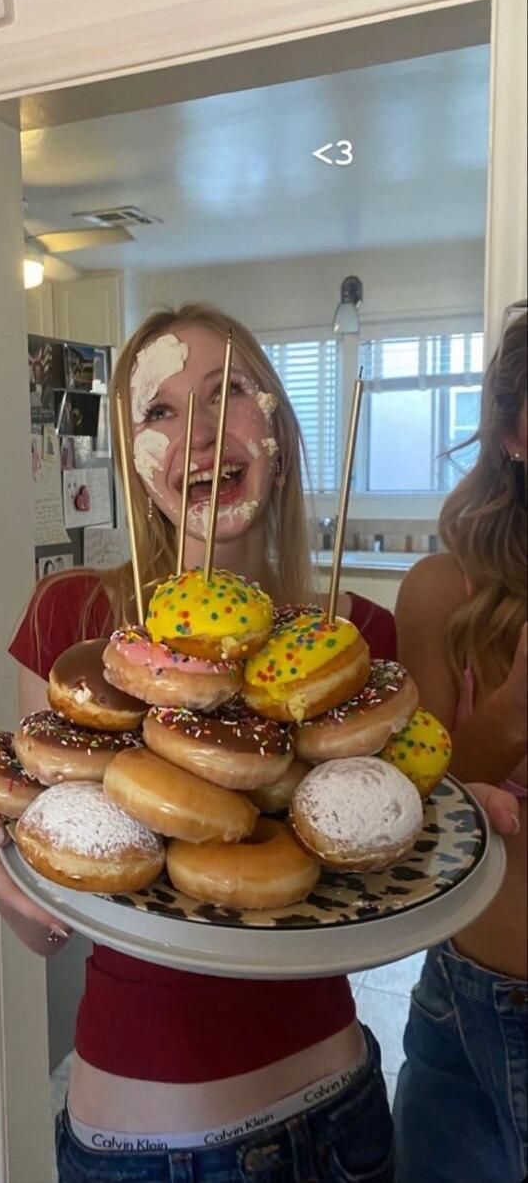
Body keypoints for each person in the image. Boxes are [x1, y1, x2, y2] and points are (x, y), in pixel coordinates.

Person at [0, 304, 401, 1182]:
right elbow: (51, 930)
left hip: (339, 1110)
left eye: (226, 391)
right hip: (143, 1142)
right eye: (158, 411)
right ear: (131, 458)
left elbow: (376, 884)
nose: (195, 429)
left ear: (276, 421)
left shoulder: (357, 650)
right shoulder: (75, 626)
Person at [392, 304, 528, 1183]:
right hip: (465, 991)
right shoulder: (444, 590)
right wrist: (511, 711)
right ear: (513, 433)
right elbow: (420, 815)